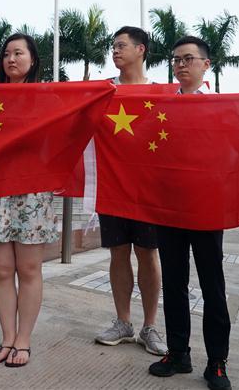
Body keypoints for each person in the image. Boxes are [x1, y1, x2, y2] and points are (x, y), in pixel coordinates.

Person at [148, 36, 232, 390]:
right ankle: (178, 352)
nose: (181, 65)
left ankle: (216, 361)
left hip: (207, 209)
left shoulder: (220, 107)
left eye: (188, 59)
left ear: (205, 65)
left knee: (213, 286)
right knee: (175, 283)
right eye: (175, 60)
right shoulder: (163, 106)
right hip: (170, 208)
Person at [0, 33, 59, 368]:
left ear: (33, 60)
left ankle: (24, 340)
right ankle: (7, 337)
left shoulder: (48, 98)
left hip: (33, 193)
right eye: (6, 54)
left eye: (18, 53)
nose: (11, 59)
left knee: (28, 268)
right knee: (1, 269)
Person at [94, 26, 167, 356]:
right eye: (113, 46)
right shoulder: (102, 91)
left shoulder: (162, 93)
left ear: (141, 50)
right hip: (111, 185)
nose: (115, 51)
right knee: (118, 253)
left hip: (149, 190)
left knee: (148, 254)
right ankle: (123, 322)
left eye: (121, 45)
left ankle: (149, 326)